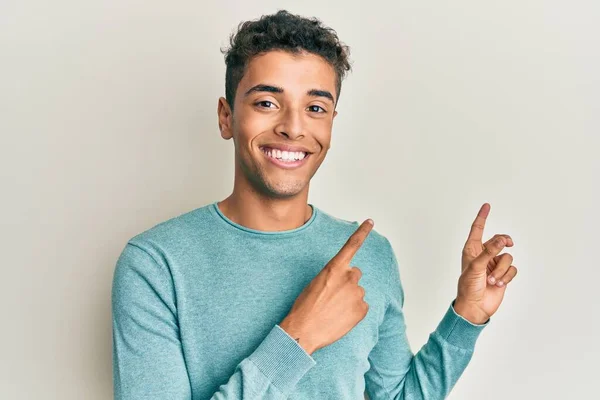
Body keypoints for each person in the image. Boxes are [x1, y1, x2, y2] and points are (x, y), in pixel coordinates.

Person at [111, 10, 518, 400]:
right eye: (267, 102)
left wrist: (466, 316)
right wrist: (300, 335)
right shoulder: (155, 263)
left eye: (315, 108)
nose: (293, 126)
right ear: (226, 117)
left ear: (331, 124)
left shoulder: (371, 255)